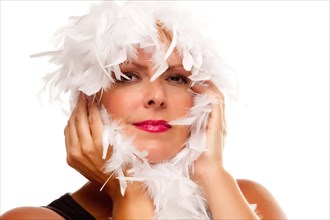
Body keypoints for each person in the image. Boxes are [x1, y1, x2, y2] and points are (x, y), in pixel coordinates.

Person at [1, 1, 287, 219]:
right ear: (88, 97)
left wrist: (211, 171)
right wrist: (131, 196)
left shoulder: (249, 200)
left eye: (176, 78)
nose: (157, 97)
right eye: (127, 76)